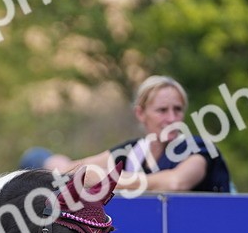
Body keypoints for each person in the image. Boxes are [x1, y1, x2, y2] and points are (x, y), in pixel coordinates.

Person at [70, 75, 232, 193]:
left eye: (177, 110)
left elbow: (175, 183)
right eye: (162, 110)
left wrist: (109, 179)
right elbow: (71, 169)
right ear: (140, 114)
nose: (171, 118)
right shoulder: (133, 151)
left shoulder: (198, 149)